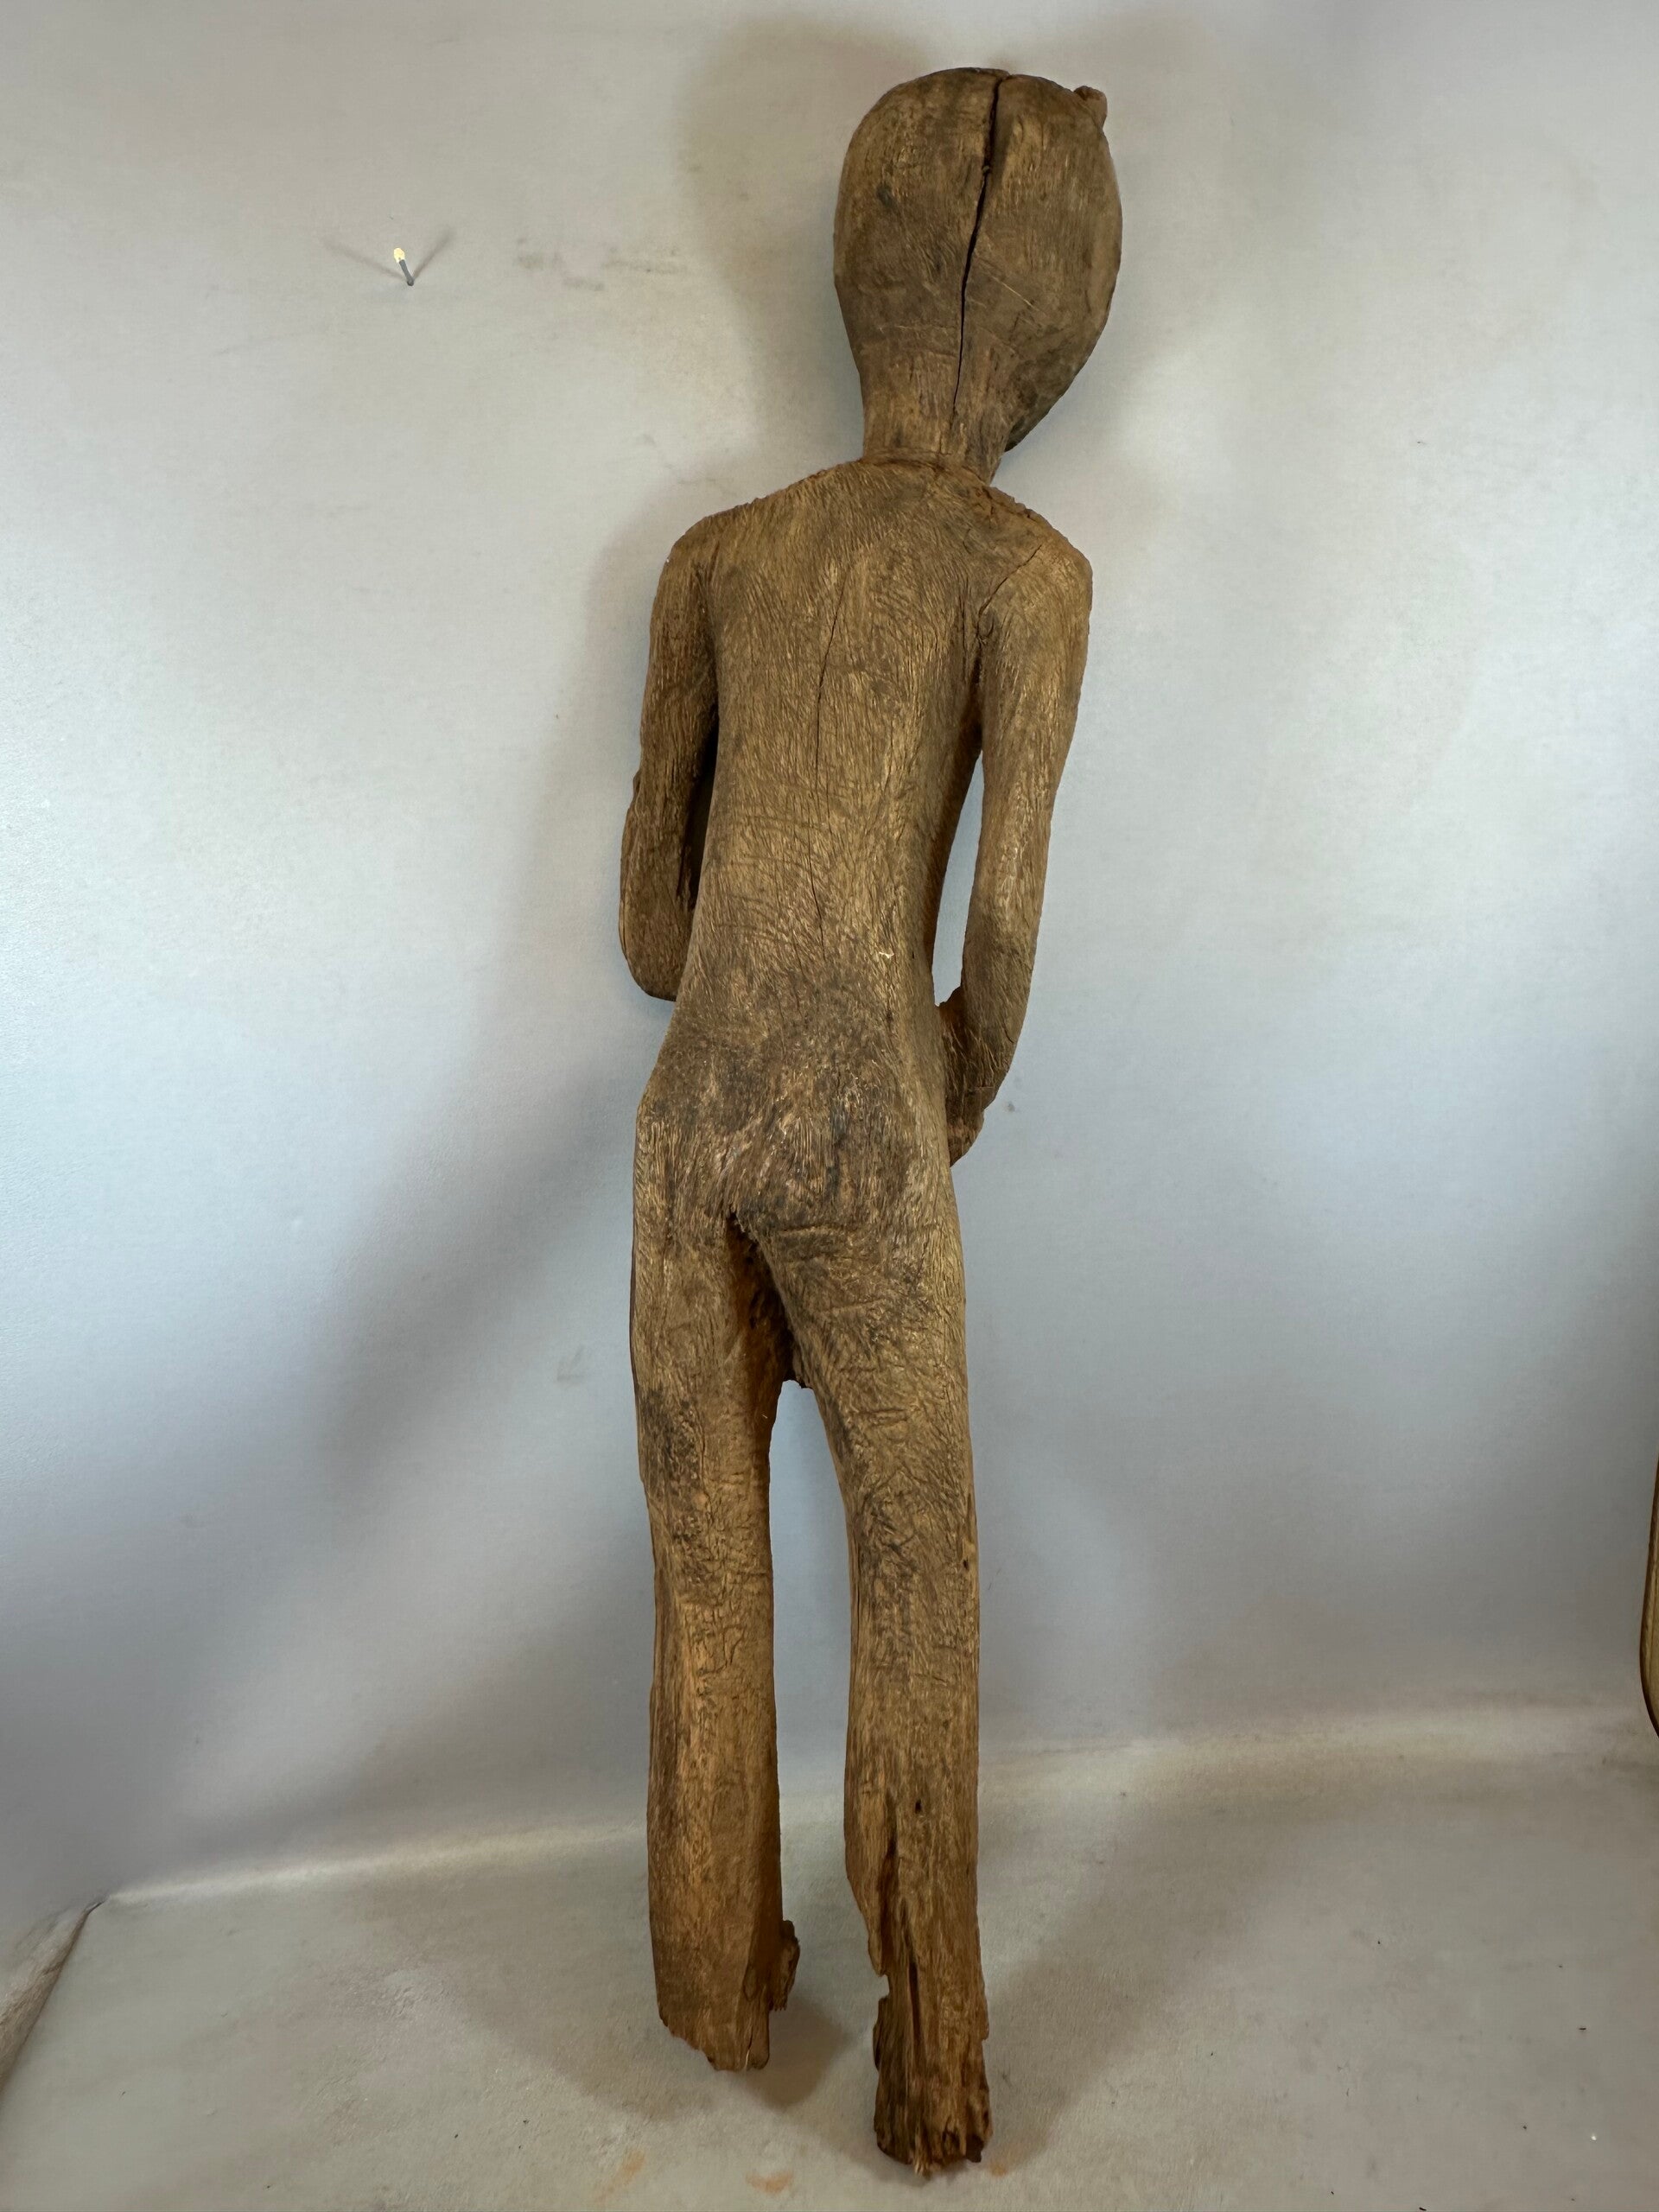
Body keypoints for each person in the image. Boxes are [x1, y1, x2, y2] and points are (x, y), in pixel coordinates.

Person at [619, 66, 1122, 2170]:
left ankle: (719, 1979)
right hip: (862, 1109)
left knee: (704, 1555)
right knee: (920, 1563)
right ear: (1058, 311)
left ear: (860, 271)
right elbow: (999, 924)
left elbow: (652, 931)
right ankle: (931, 2065)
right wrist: (941, 1089)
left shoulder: (720, 556)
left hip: (686, 1122)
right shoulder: (1030, 572)